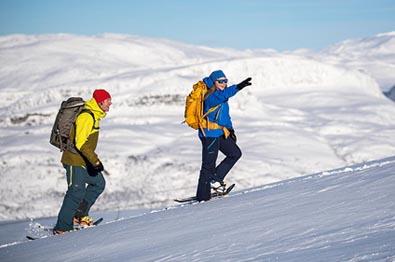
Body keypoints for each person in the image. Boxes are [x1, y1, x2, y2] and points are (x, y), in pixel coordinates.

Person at [53, 89, 112, 234]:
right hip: (74, 160)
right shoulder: (87, 116)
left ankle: (79, 216)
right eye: (108, 101)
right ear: (100, 102)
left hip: (83, 160)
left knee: (98, 183)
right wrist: (95, 161)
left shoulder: (95, 115)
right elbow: (80, 143)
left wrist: (91, 161)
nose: (110, 103)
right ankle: (62, 228)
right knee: (75, 192)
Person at [196, 70, 252, 201]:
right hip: (209, 135)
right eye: (220, 81)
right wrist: (238, 87)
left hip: (221, 132)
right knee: (208, 166)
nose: (223, 83)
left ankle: (215, 179)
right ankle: (202, 196)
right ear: (213, 82)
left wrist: (231, 130)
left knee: (235, 153)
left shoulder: (221, 95)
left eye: (225, 81)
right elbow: (223, 96)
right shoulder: (210, 96)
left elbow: (225, 117)